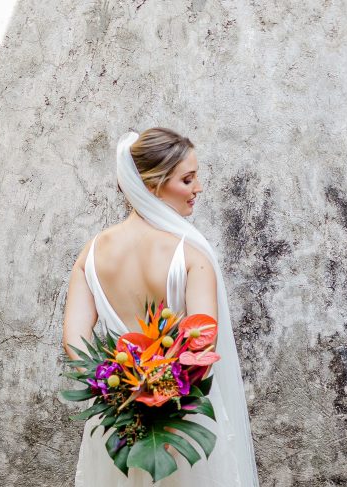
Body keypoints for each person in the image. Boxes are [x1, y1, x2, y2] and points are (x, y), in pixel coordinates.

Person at [62, 128, 260, 486]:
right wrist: (158, 398)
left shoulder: (91, 254)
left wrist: (123, 394)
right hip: (180, 425)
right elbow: (202, 347)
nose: (198, 188)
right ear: (152, 185)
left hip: (117, 424)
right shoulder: (192, 257)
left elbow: (75, 347)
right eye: (188, 179)